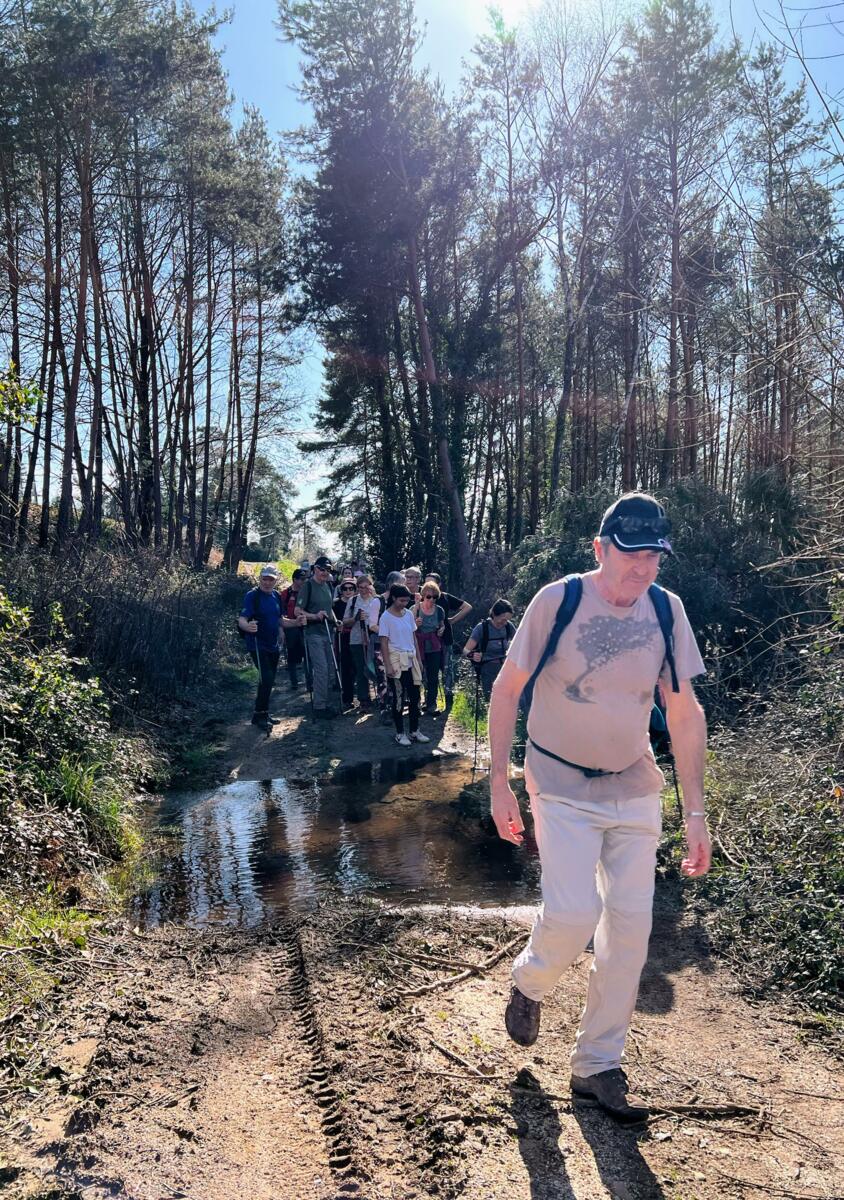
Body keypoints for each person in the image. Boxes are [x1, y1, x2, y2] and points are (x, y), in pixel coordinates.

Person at [487, 493, 710, 1124]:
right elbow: (506, 689)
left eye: (653, 557)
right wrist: (500, 782)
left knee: (631, 928)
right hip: (558, 780)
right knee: (573, 912)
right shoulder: (557, 601)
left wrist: (696, 814)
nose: (642, 568)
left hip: (633, 784)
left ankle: (597, 1064)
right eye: (631, 554)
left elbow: (683, 712)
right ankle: (530, 982)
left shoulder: (666, 611)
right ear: (600, 549)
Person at [378, 583, 430, 747]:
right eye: (401, 600)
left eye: (407, 601)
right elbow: (383, 643)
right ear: (393, 598)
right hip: (396, 660)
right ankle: (400, 733)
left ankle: (415, 730)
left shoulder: (408, 614)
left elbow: (413, 637)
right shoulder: (385, 617)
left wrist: (419, 660)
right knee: (399, 698)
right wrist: (388, 665)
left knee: (415, 697)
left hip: (411, 658)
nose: (404, 603)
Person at [238, 564, 284, 732]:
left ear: (275, 580)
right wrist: (247, 627)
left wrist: (294, 623)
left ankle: (261, 713)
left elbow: (280, 619)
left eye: (271, 579)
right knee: (266, 678)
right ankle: (261, 716)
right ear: (260, 579)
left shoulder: (276, 596)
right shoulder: (252, 596)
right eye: (264, 579)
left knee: (268, 680)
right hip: (257, 644)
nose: (267, 582)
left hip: (273, 645)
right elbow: (242, 619)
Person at [294, 555, 340, 719]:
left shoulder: (328, 585)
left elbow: (328, 608)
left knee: (330, 670)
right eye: (321, 569)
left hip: (328, 632)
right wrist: (314, 616)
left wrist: (336, 620)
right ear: (314, 569)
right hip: (313, 634)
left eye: (327, 570)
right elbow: (297, 611)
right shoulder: (308, 586)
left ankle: (326, 703)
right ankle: (319, 706)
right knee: (321, 670)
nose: (324, 572)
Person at [424, 572, 472, 704]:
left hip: (445, 639)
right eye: (426, 582)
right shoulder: (422, 598)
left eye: (432, 582)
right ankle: (429, 701)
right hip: (427, 641)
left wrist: (452, 620)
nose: (428, 585)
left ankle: (449, 699)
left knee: (447, 670)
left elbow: (467, 607)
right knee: (429, 671)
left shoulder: (445, 597)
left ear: (439, 584)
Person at [463, 599, 516, 699]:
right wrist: (472, 655)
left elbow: (519, 644)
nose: (505, 623)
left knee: (508, 699)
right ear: (494, 614)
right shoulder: (482, 628)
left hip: (506, 668)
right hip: (488, 669)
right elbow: (465, 650)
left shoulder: (509, 627)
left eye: (507, 620)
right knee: (490, 699)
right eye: (503, 619)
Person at [344, 574, 381, 708]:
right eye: (360, 587)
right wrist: (356, 618)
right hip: (357, 640)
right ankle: (364, 698)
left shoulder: (377, 600)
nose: (364, 590)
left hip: (374, 640)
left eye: (367, 587)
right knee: (361, 670)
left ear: (371, 586)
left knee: (377, 668)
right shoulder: (353, 600)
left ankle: (381, 696)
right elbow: (345, 622)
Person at [412, 580, 446, 713]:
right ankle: (416, 704)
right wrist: (415, 624)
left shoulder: (439, 610)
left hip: (434, 645)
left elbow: (442, 625)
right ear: (423, 596)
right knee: (417, 676)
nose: (431, 599)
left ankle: (431, 704)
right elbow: (408, 627)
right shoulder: (415, 608)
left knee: (433, 676)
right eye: (428, 596)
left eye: (435, 597)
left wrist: (441, 630)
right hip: (417, 645)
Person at [279, 568, 308, 689]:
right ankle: (294, 682)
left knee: (307, 654)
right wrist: (281, 629)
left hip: (305, 626)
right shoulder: (285, 594)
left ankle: (309, 682)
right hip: (290, 628)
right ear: (294, 579)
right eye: (301, 579)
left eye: (305, 579)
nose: (304, 581)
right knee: (291, 655)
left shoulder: (306, 593)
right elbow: (280, 613)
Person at [333, 577, 357, 708]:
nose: (348, 591)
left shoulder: (357, 601)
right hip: (342, 637)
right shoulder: (336, 603)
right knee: (345, 667)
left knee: (356, 666)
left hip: (357, 636)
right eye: (345, 588)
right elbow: (333, 620)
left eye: (351, 588)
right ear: (341, 590)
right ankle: (347, 697)